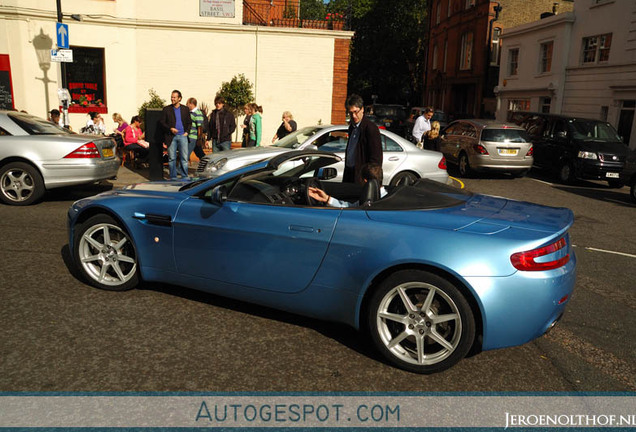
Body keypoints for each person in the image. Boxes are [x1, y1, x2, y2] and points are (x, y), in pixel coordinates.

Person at [343, 94, 382, 185]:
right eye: (350, 113)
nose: (354, 116)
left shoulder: (370, 128)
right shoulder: (352, 128)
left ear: (362, 110)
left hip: (362, 179)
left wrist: (370, 180)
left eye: (356, 112)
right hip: (350, 174)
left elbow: (376, 159)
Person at [308, 163, 387, 208]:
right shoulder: (384, 197)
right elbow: (350, 207)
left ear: (365, 181)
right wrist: (327, 198)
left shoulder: (376, 204)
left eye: (359, 179)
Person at [159, 89, 192, 180]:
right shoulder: (166, 109)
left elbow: (189, 122)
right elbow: (162, 122)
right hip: (171, 137)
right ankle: (173, 177)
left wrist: (187, 132)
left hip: (183, 136)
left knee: (184, 158)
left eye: (174, 97)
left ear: (179, 98)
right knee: (172, 158)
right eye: (171, 97)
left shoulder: (185, 109)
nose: (172, 99)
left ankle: (184, 176)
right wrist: (170, 128)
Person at [186, 97, 206, 161]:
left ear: (191, 104)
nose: (186, 105)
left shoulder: (198, 113)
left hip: (193, 137)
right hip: (189, 136)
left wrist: (199, 139)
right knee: (200, 154)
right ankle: (206, 164)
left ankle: (179, 170)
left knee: (185, 155)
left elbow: (200, 127)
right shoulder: (190, 113)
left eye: (187, 104)